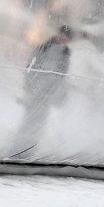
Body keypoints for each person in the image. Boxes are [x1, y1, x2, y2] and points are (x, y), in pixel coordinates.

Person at [14, 24, 73, 156]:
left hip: (47, 95)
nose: (64, 38)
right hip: (35, 91)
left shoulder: (66, 54)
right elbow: (31, 67)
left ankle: (29, 151)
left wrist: (58, 95)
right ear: (58, 34)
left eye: (66, 37)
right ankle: (17, 148)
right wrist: (30, 86)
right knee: (28, 121)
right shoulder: (44, 46)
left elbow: (62, 77)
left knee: (39, 124)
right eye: (63, 34)